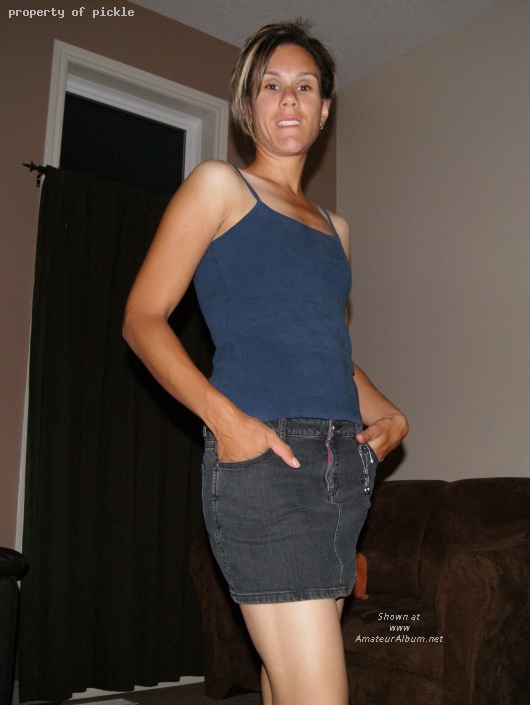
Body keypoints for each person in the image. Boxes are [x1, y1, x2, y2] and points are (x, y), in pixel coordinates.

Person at [123, 19, 408, 705]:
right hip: (266, 460)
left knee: (287, 683)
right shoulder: (220, 186)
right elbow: (142, 318)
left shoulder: (337, 229)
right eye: (271, 85)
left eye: (304, 87)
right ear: (247, 105)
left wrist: (390, 414)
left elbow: (327, 350)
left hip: (345, 468)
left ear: (324, 109)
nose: (289, 99)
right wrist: (228, 423)